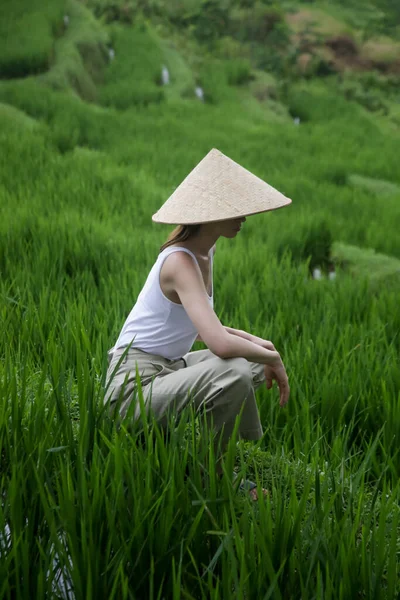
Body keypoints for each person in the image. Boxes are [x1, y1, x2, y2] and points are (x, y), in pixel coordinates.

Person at [105, 148, 291, 501]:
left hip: (168, 369)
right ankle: (212, 475)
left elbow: (212, 328)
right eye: (235, 209)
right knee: (235, 371)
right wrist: (275, 358)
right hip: (131, 391)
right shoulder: (180, 262)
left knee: (250, 360)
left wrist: (262, 347)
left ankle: (201, 456)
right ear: (209, 215)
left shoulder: (206, 253)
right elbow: (219, 344)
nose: (245, 217)